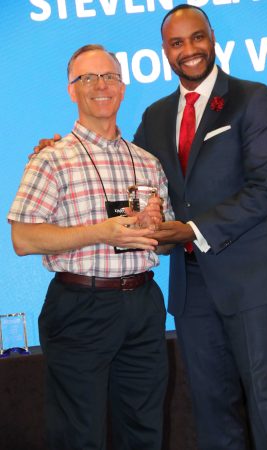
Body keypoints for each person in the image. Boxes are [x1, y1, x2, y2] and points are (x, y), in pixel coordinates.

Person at [133, 5, 267, 450]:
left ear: (212, 39)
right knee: (210, 405)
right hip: (191, 286)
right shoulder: (154, 116)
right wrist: (64, 146)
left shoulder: (254, 98)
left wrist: (190, 229)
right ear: (165, 52)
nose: (189, 50)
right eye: (177, 43)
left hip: (253, 278)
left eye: (197, 38)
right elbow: (128, 173)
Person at [8, 44, 174, 450]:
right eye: (88, 78)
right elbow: (22, 238)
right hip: (80, 305)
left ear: (123, 87)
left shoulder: (148, 162)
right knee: (79, 435)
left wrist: (159, 228)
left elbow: (166, 247)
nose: (101, 86)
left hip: (143, 301)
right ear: (71, 90)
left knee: (145, 429)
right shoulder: (51, 160)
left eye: (110, 77)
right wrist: (100, 233)